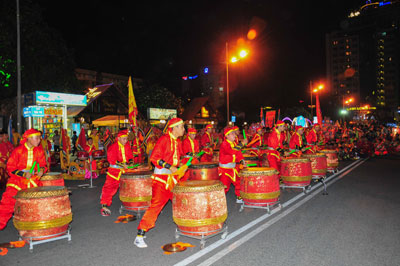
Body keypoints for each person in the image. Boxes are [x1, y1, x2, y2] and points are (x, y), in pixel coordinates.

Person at [134, 118, 185, 248]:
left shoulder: (178, 142)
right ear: (173, 128)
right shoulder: (164, 139)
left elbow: (176, 160)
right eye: (181, 127)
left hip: (173, 179)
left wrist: (182, 164)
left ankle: (188, 227)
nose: (183, 129)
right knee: (156, 205)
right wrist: (170, 167)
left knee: (181, 201)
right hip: (162, 178)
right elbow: (154, 158)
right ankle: (140, 235)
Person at [0, 129, 47, 230]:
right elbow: (10, 168)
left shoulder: (39, 150)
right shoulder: (18, 150)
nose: (39, 140)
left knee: (40, 201)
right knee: (7, 202)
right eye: (37, 138)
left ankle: (35, 227)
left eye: (39, 138)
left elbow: (43, 164)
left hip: (33, 180)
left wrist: (41, 170)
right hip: (17, 180)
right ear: (29, 138)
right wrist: (23, 174)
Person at [100, 129, 134, 216]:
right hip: (114, 172)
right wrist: (123, 165)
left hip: (125, 171)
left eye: (126, 139)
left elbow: (130, 156)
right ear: (118, 138)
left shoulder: (127, 146)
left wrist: (130, 163)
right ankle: (104, 205)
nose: (125, 140)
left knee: (128, 187)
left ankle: (130, 203)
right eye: (124, 139)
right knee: (109, 188)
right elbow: (112, 160)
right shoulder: (113, 147)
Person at [219, 127, 247, 203]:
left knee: (238, 182)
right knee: (225, 187)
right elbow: (231, 151)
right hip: (225, 170)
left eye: (234, 133)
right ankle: (219, 201)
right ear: (227, 136)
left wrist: (242, 161)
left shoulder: (234, 144)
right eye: (232, 134)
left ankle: (239, 198)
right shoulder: (224, 144)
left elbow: (238, 154)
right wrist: (242, 144)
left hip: (233, 168)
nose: (234, 135)